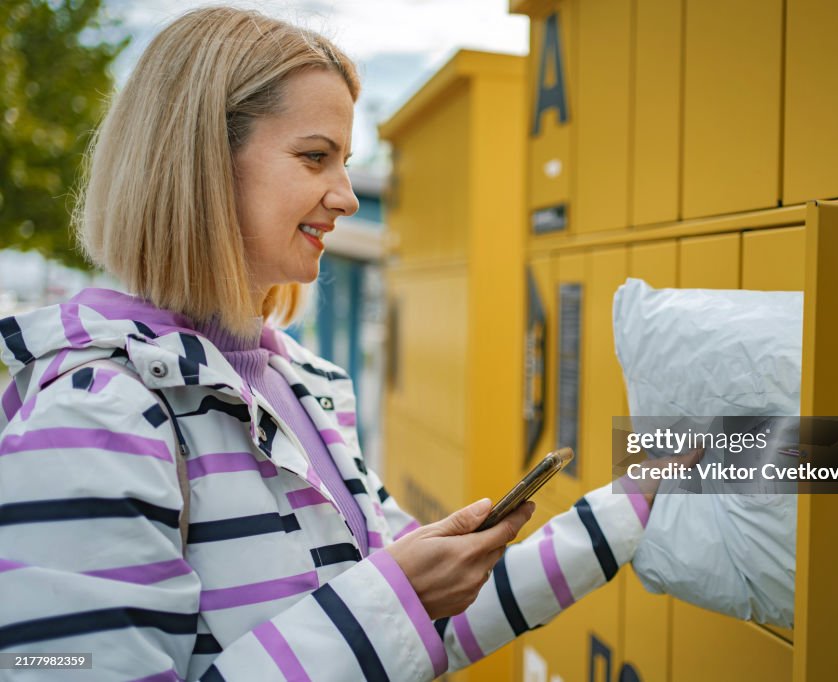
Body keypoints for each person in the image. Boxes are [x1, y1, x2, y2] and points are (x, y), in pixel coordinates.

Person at [0, 7, 653, 681]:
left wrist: (652, 491)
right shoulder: (94, 415)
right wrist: (391, 600)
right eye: (316, 157)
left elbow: (416, 625)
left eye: (344, 161)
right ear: (199, 163)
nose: (345, 197)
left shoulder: (305, 384)